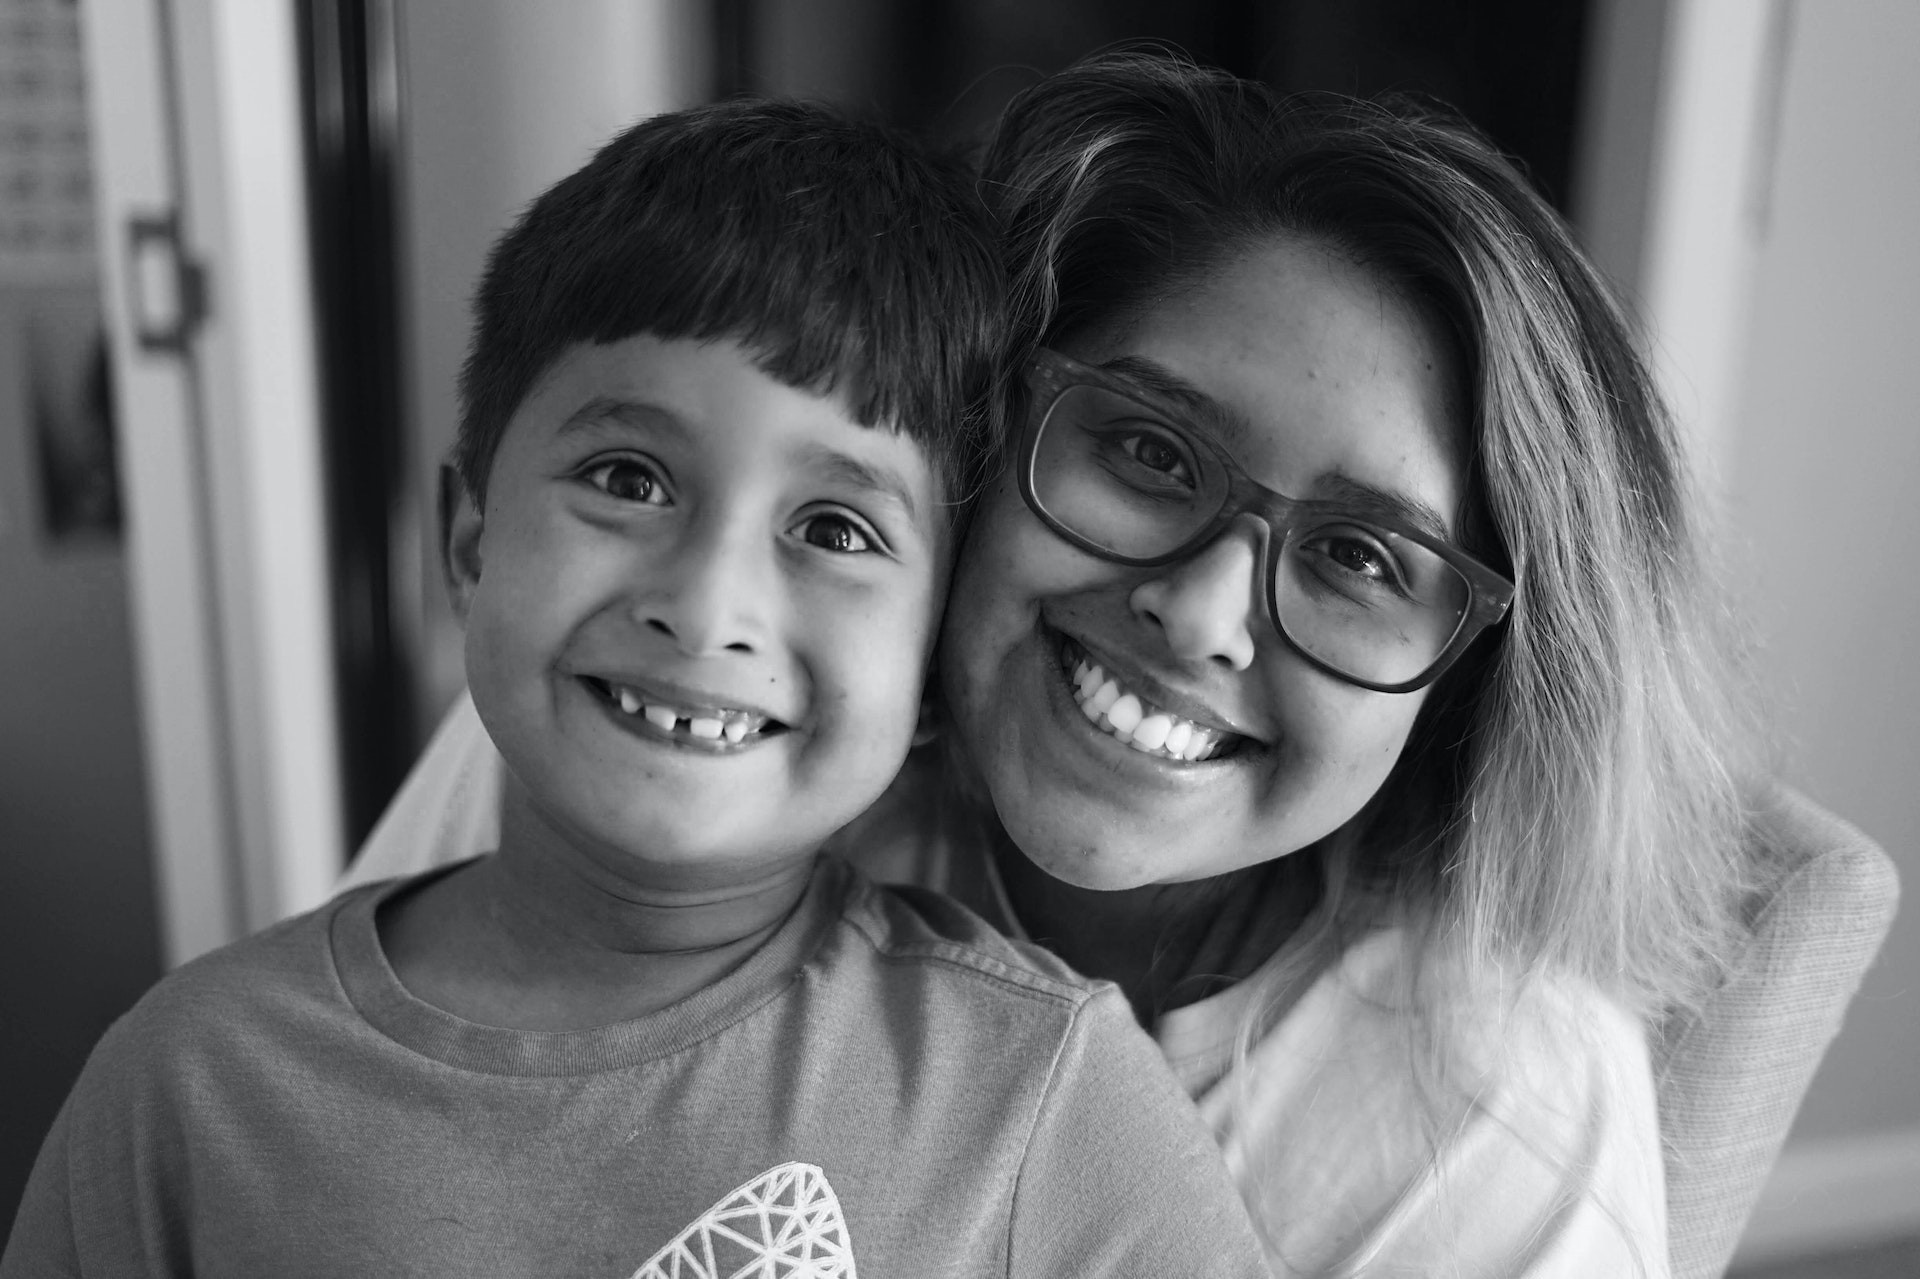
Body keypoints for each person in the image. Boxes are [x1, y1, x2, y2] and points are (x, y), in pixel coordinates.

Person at [341, 53, 1761, 1278]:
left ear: (1472, 675)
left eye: (1362, 558)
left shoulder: (1490, 1112)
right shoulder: (674, 729)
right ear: (972, 452)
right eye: (1150, 451)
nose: (1204, 611)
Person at [1, 99, 1276, 1278]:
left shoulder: (1035, 1098)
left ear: (933, 664)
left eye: (835, 529)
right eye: (627, 478)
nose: (707, 603)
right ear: (469, 541)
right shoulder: (192, 1082)